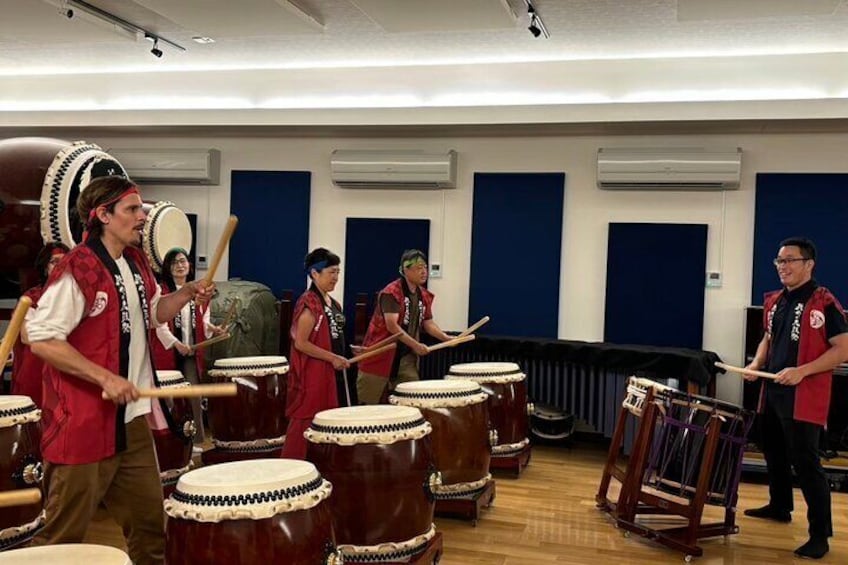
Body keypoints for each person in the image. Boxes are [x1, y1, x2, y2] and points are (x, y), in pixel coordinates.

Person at [26, 176, 213, 565]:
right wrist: (104, 377)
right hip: (82, 422)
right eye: (132, 209)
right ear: (103, 215)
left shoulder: (136, 261)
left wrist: (184, 294)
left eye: (141, 208)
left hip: (130, 422)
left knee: (149, 529)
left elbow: (153, 314)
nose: (142, 217)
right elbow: (41, 337)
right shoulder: (80, 267)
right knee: (61, 537)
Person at [743, 237, 848, 560]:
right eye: (779, 261)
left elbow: (843, 349)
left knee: (805, 462)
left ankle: (820, 535)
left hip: (805, 393)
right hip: (773, 389)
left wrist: (802, 371)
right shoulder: (775, 301)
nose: (783, 267)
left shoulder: (824, 302)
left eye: (790, 260)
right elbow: (768, 338)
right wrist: (757, 363)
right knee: (772, 448)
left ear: (809, 264)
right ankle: (779, 505)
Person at [356, 249, 452, 405]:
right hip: (379, 354)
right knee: (368, 405)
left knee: (412, 400)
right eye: (419, 267)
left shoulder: (424, 295)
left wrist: (446, 338)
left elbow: (428, 322)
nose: (424, 271)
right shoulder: (391, 293)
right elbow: (392, 326)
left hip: (405, 357)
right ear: (405, 270)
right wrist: (416, 345)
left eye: (425, 267)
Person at [280, 248, 350, 459]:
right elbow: (301, 343)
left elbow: (333, 337)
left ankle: (325, 464)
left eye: (338, 272)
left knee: (330, 419)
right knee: (305, 419)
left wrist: (349, 351)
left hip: (332, 372)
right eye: (331, 272)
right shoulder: (309, 302)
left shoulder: (333, 303)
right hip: (313, 373)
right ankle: (290, 468)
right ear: (314, 273)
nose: (336, 278)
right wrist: (333, 357)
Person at [154, 247, 224, 447]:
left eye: (183, 261)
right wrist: (176, 344)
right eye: (174, 262)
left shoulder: (199, 292)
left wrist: (213, 329)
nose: (180, 265)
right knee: (169, 396)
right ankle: (170, 441)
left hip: (190, 353)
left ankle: (196, 441)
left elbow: (203, 321)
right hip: (168, 352)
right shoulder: (162, 291)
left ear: (189, 265)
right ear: (167, 267)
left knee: (194, 395)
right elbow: (158, 324)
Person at [12, 241, 70, 406]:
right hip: (37, 366)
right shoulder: (32, 297)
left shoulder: (78, 297)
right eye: (54, 262)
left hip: (68, 368)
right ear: (45, 268)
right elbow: (26, 335)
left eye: (65, 262)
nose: (61, 267)